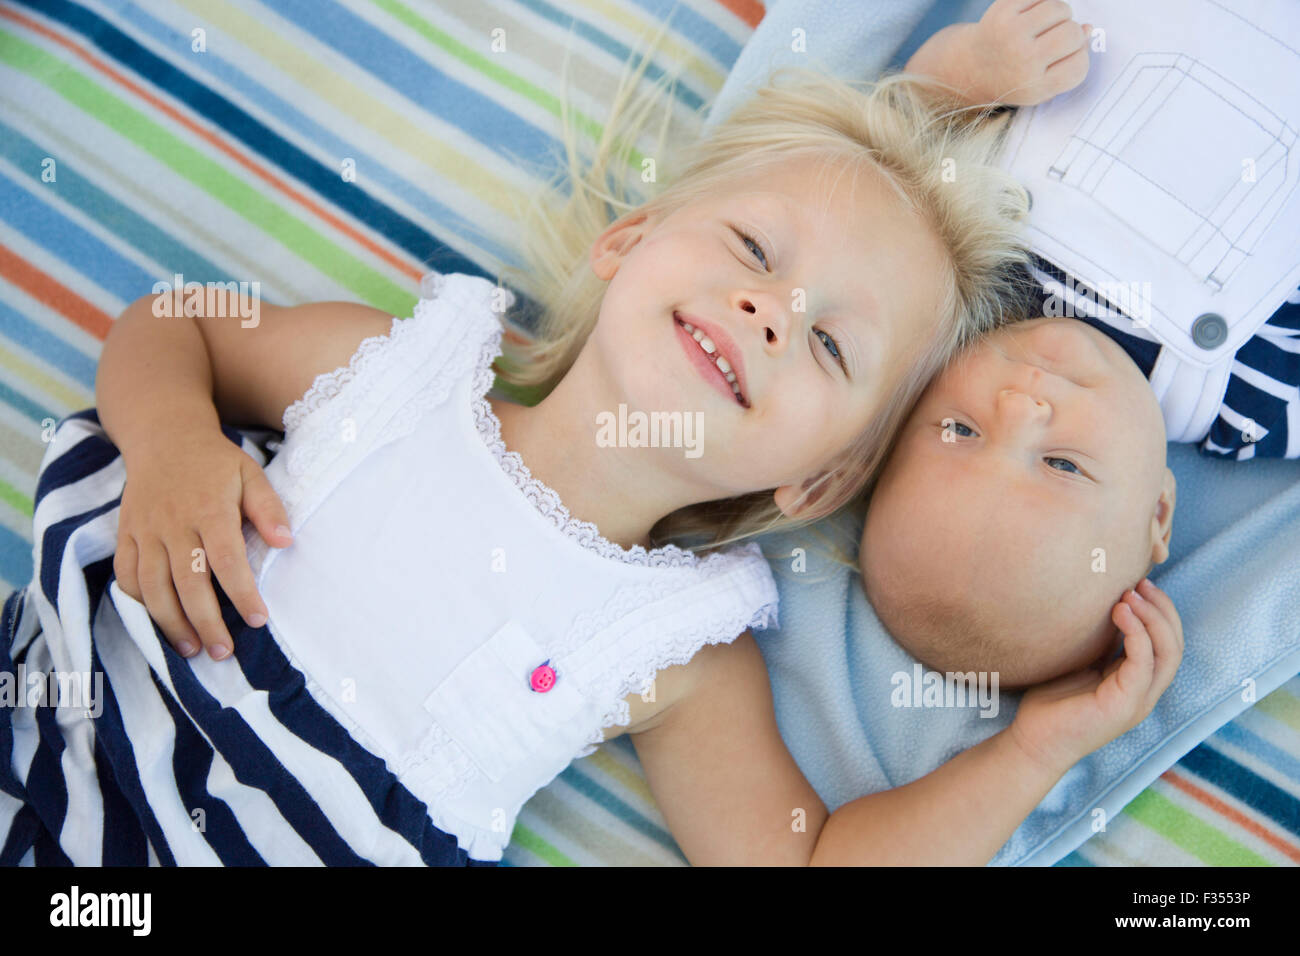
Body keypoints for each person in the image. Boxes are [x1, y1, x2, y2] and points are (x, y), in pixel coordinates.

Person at [1, 31, 1178, 866]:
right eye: (753, 248)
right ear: (629, 240)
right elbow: (182, 326)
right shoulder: (401, 371)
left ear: (818, 479)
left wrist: (1039, 745)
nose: (771, 310)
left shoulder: (676, 649)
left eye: (828, 345)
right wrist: (165, 447)